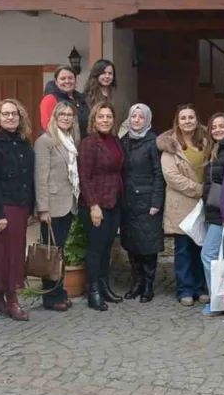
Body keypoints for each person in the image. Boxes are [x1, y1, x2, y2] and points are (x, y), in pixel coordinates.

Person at [0, 99, 37, 321]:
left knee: (13, 253)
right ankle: (10, 300)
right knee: (4, 256)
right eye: (5, 114)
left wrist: (30, 207)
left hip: (20, 207)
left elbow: (29, 178)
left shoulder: (24, 143)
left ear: (20, 117)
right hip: (1, 208)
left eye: (14, 114)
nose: (10, 117)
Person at [158, 104, 208, 306]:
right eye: (183, 118)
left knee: (202, 248)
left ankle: (200, 287)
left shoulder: (206, 142)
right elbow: (172, 177)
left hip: (204, 205)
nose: (187, 121)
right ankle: (185, 289)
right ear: (177, 122)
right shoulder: (170, 146)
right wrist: (200, 189)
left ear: (197, 120)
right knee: (183, 250)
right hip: (182, 203)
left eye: (191, 117)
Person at [34, 101, 81, 312]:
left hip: (68, 203)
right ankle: (50, 297)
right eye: (62, 114)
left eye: (70, 115)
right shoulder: (45, 141)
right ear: (54, 116)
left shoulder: (71, 141)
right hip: (52, 206)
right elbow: (40, 177)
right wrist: (43, 209)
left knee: (59, 252)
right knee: (50, 253)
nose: (66, 117)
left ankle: (59, 291)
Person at [79, 102, 126, 311]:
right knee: (95, 249)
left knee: (107, 247)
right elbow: (84, 177)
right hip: (96, 203)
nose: (105, 120)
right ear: (94, 120)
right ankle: (93, 291)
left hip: (114, 201)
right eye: (101, 117)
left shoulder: (115, 141)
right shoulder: (89, 143)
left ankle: (105, 286)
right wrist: (93, 205)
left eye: (108, 116)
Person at [119, 104, 165, 303]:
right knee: (132, 244)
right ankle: (136, 282)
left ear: (147, 119)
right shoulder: (123, 141)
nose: (136, 120)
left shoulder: (153, 142)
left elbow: (159, 174)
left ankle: (148, 285)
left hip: (147, 202)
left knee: (148, 246)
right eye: (133, 116)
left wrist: (156, 202)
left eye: (141, 117)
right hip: (127, 201)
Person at [199, 112, 224, 315]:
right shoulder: (216, 149)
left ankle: (217, 300)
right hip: (214, 211)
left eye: (221, 126)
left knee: (209, 255)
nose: (217, 130)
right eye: (213, 127)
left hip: (222, 214)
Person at [39, 66, 91, 135]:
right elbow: (48, 127)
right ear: (56, 82)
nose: (67, 81)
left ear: (75, 81)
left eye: (70, 78)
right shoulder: (50, 99)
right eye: (62, 79)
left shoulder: (81, 98)